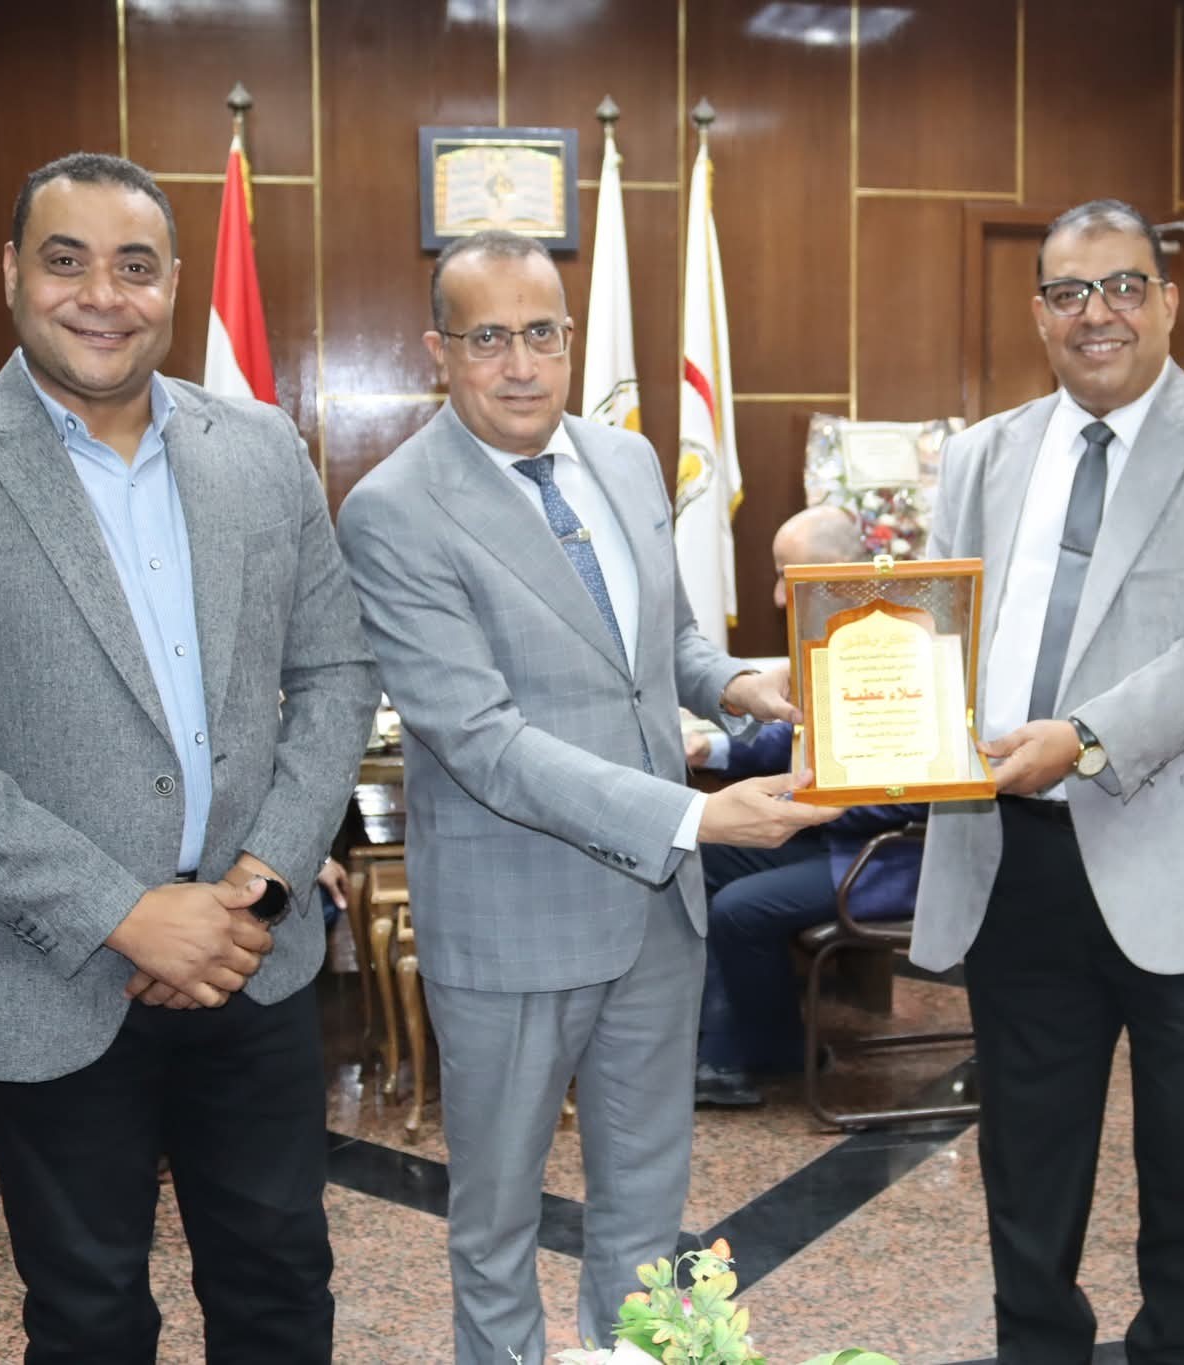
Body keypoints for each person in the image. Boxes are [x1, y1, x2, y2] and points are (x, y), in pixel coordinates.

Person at [0, 152, 378, 1363]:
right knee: (87, 1318)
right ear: (11, 272)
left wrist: (258, 883)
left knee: (283, 1287)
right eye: (65, 259)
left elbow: (337, 676)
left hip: (255, 960)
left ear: (175, 285)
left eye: (135, 267)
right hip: (47, 976)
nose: (102, 295)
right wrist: (126, 915)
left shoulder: (263, 447)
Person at [334, 229, 841, 1363]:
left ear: (571, 339)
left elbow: (662, 648)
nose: (521, 364)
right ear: (439, 350)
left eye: (543, 334)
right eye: (489, 338)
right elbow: (480, 740)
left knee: (646, 1209)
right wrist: (694, 817)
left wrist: (756, 688)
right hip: (515, 919)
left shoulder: (625, 461)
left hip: (655, 913)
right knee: (499, 1220)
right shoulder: (394, 512)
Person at [909, 199, 1184, 1362]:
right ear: (1037, 311)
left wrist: (1082, 738)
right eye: (1067, 292)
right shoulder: (985, 450)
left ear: (1167, 298)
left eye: (1122, 286)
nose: (1096, 314)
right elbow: (945, 633)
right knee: (1026, 1162)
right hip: (1015, 859)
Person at [687, 505, 926, 1107]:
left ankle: (767, 1052)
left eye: (784, 573)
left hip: (888, 856)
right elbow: (792, 738)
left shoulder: (902, 648)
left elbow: (907, 791)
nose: (773, 593)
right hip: (834, 837)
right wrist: (707, 748)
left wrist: (793, 797)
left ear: (840, 574)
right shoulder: (834, 637)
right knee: (694, 856)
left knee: (739, 909)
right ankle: (724, 1046)